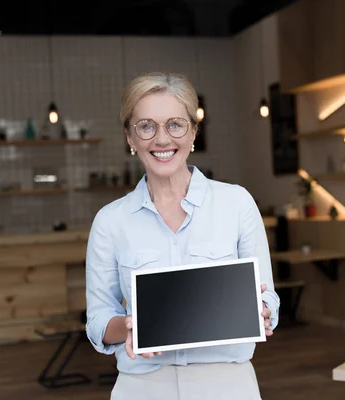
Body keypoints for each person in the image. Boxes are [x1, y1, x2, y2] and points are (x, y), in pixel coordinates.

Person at [85, 72, 280, 400]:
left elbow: (268, 298)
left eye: (175, 124)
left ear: (193, 131)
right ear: (130, 138)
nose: (162, 140)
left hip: (228, 385)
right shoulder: (110, 222)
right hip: (143, 387)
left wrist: (261, 309)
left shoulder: (237, 203)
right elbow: (98, 321)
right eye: (146, 126)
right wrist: (129, 326)